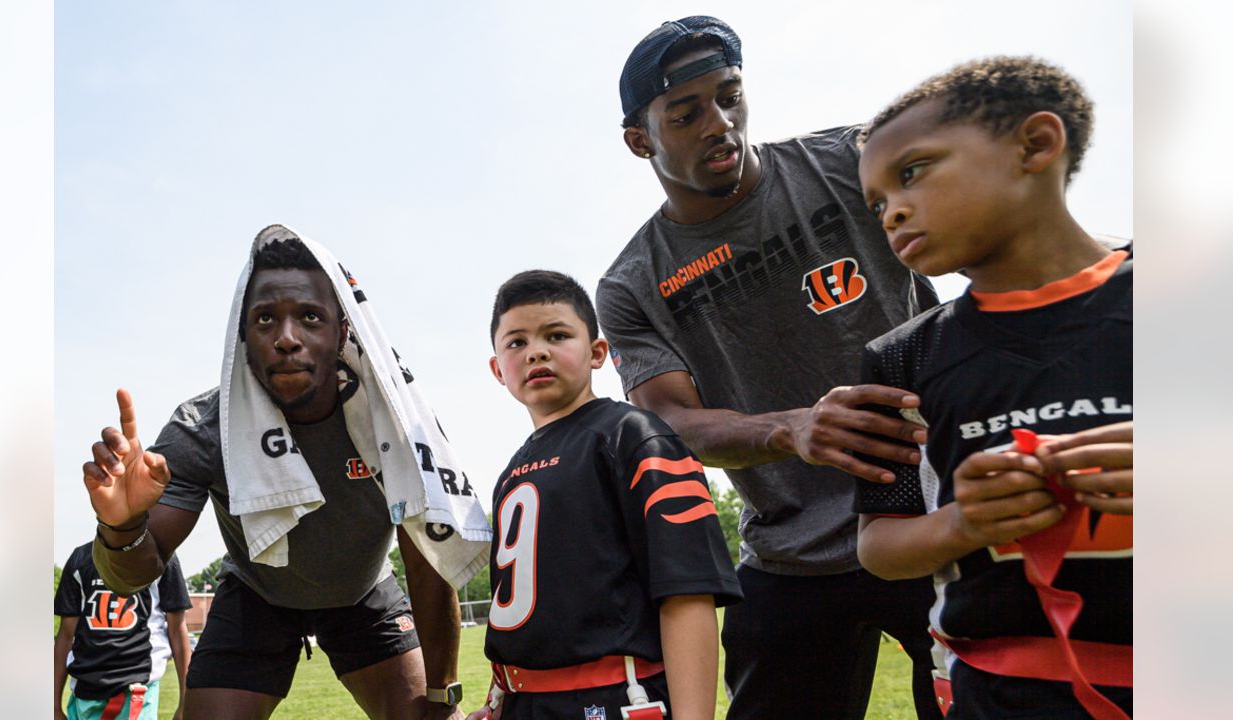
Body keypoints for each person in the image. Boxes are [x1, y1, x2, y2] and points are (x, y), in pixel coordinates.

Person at [597, 16, 940, 719]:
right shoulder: (632, 283)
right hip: (791, 551)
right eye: (686, 113)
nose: (718, 123)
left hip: (933, 511)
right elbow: (670, 419)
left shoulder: (850, 160)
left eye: (729, 95)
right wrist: (792, 428)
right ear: (640, 140)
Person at [80, 226, 490, 720]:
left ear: (343, 331)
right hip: (257, 592)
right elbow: (133, 576)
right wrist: (121, 524)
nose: (287, 338)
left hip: (362, 591)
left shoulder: (392, 420)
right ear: (243, 336)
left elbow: (428, 549)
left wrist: (443, 696)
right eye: (266, 319)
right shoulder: (205, 427)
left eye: (310, 317)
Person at [852, 57, 1132, 718]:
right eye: (877, 202)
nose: (892, 213)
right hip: (998, 696)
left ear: (1035, 144)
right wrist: (960, 522)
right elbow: (879, 545)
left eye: (912, 172)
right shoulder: (900, 357)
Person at [466, 270, 741, 720]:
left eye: (556, 335)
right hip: (526, 704)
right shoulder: (512, 470)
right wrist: (500, 698)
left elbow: (687, 593)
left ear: (597, 353)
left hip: (616, 697)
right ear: (498, 369)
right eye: (516, 343)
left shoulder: (634, 436)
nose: (536, 350)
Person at [54, 541, 192, 720]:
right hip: (85, 694)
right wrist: (54, 706)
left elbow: (177, 630)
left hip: (137, 690)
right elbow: (66, 635)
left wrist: (186, 703)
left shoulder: (160, 557)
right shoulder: (81, 558)